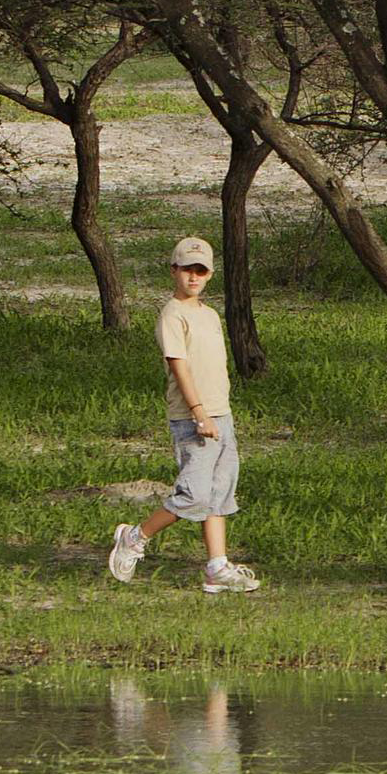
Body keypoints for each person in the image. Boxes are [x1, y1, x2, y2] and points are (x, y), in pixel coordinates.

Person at [109, 237, 261, 594]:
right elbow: (179, 366)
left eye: (200, 270)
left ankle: (217, 567)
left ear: (209, 275)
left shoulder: (208, 315)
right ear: (173, 270)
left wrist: (217, 413)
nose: (193, 277)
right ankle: (134, 537)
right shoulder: (172, 315)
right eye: (186, 269)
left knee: (220, 492)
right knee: (193, 494)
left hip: (220, 414)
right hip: (194, 419)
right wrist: (198, 413)